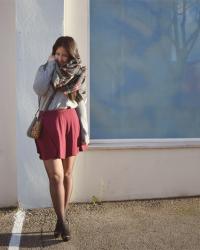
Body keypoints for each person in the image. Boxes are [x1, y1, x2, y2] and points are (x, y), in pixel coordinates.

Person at [33, 36, 89, 241]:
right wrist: (49, 65)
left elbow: (81, 103)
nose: (60, 58)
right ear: (52, 53)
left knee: (66, 174)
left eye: (64, 55)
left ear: (71, 55)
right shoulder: (45, 69)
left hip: (70, 122)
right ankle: (64, 220)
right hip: (48, 123)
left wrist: (85, 133)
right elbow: (39, 89)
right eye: (57, 53)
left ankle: (60, 219)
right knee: (55, 176)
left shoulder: (78, 73)